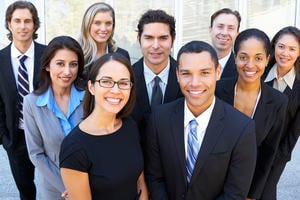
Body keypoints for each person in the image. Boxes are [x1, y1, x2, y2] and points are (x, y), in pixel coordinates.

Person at [145, 40, 257, 200]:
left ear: (218, 72)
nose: (195, 83)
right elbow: (155, 178)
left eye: (204, 73)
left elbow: (235, 193)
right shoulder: (159, 118)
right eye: (186, 73)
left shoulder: (242, 128)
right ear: (177, 74)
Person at [59, 53, 148, 200]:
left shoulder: (130, 126)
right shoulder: (74, 147)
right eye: (106, 81)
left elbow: (140, 183)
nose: (115, 90)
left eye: (123, 83)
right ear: (91, 87)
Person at [215, 28, 288, 200]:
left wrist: (251, 195)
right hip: (214, 185)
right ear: (235, 58)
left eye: (258, 58)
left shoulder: (278, 102)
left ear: (267, 60)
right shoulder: (216, 91)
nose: (250, 65)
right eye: (243, 57)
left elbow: (268, 154)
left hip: (252, 188)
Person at [23, 36, 85, 199]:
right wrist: (67, 187)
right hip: (54, 189)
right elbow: (36, 153)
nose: (67, 71)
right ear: (47, 66)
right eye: (60, 63)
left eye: (73, 64)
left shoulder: (88, 98)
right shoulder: (31, 103)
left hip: (88, 183)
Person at [0, 1, 46, 199]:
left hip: (47, 136)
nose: (22, 26)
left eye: (28, 21)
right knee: (26, 190)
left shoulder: (48, 55)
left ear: (35, 25)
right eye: (17, 21)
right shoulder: (0, 59)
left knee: (56, 187)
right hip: (16, 137)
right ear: (9, 24)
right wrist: (4, 138)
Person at [131, 9, 182, 142]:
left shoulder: (186, 77)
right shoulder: (126, 78)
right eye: (148, 38)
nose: (155, 46)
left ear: (173, 39)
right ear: (139, 39)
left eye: (163, 38)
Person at [262, 26, 300, 199]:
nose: (285, 53)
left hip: (278, 153)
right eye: (281, 46)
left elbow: (294, 131)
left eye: (292, 49)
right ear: (274, 47)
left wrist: (280, 156)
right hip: (248, 149)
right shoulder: (259, 74)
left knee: (266, 194)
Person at [78, 2, 130, 88]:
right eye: (97, 23)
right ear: (87, 25)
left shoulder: (122, 55)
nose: (103, 29)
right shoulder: (77, 55)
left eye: (108, 23)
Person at [209, 8, 241, 79]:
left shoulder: (241, 71)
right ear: (210, 30)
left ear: (237, 34)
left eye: (230, 28)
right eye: (220, 26)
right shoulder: (194, 63)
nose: (224, 33)